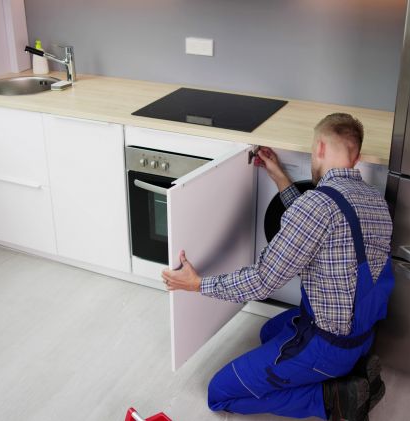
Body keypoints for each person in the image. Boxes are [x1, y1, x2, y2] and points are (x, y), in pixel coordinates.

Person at [161, 113, 395, 421]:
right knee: (268, 330)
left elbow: (262, 281)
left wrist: (197, 284)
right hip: (360, 336)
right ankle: (349, 372)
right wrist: (279, 177)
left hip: (328, 344)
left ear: (320, 148)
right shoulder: (376, 201)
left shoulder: (315, 208)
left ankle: (332, 398)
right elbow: (322, 223)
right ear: (357, 157)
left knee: (220, 392)